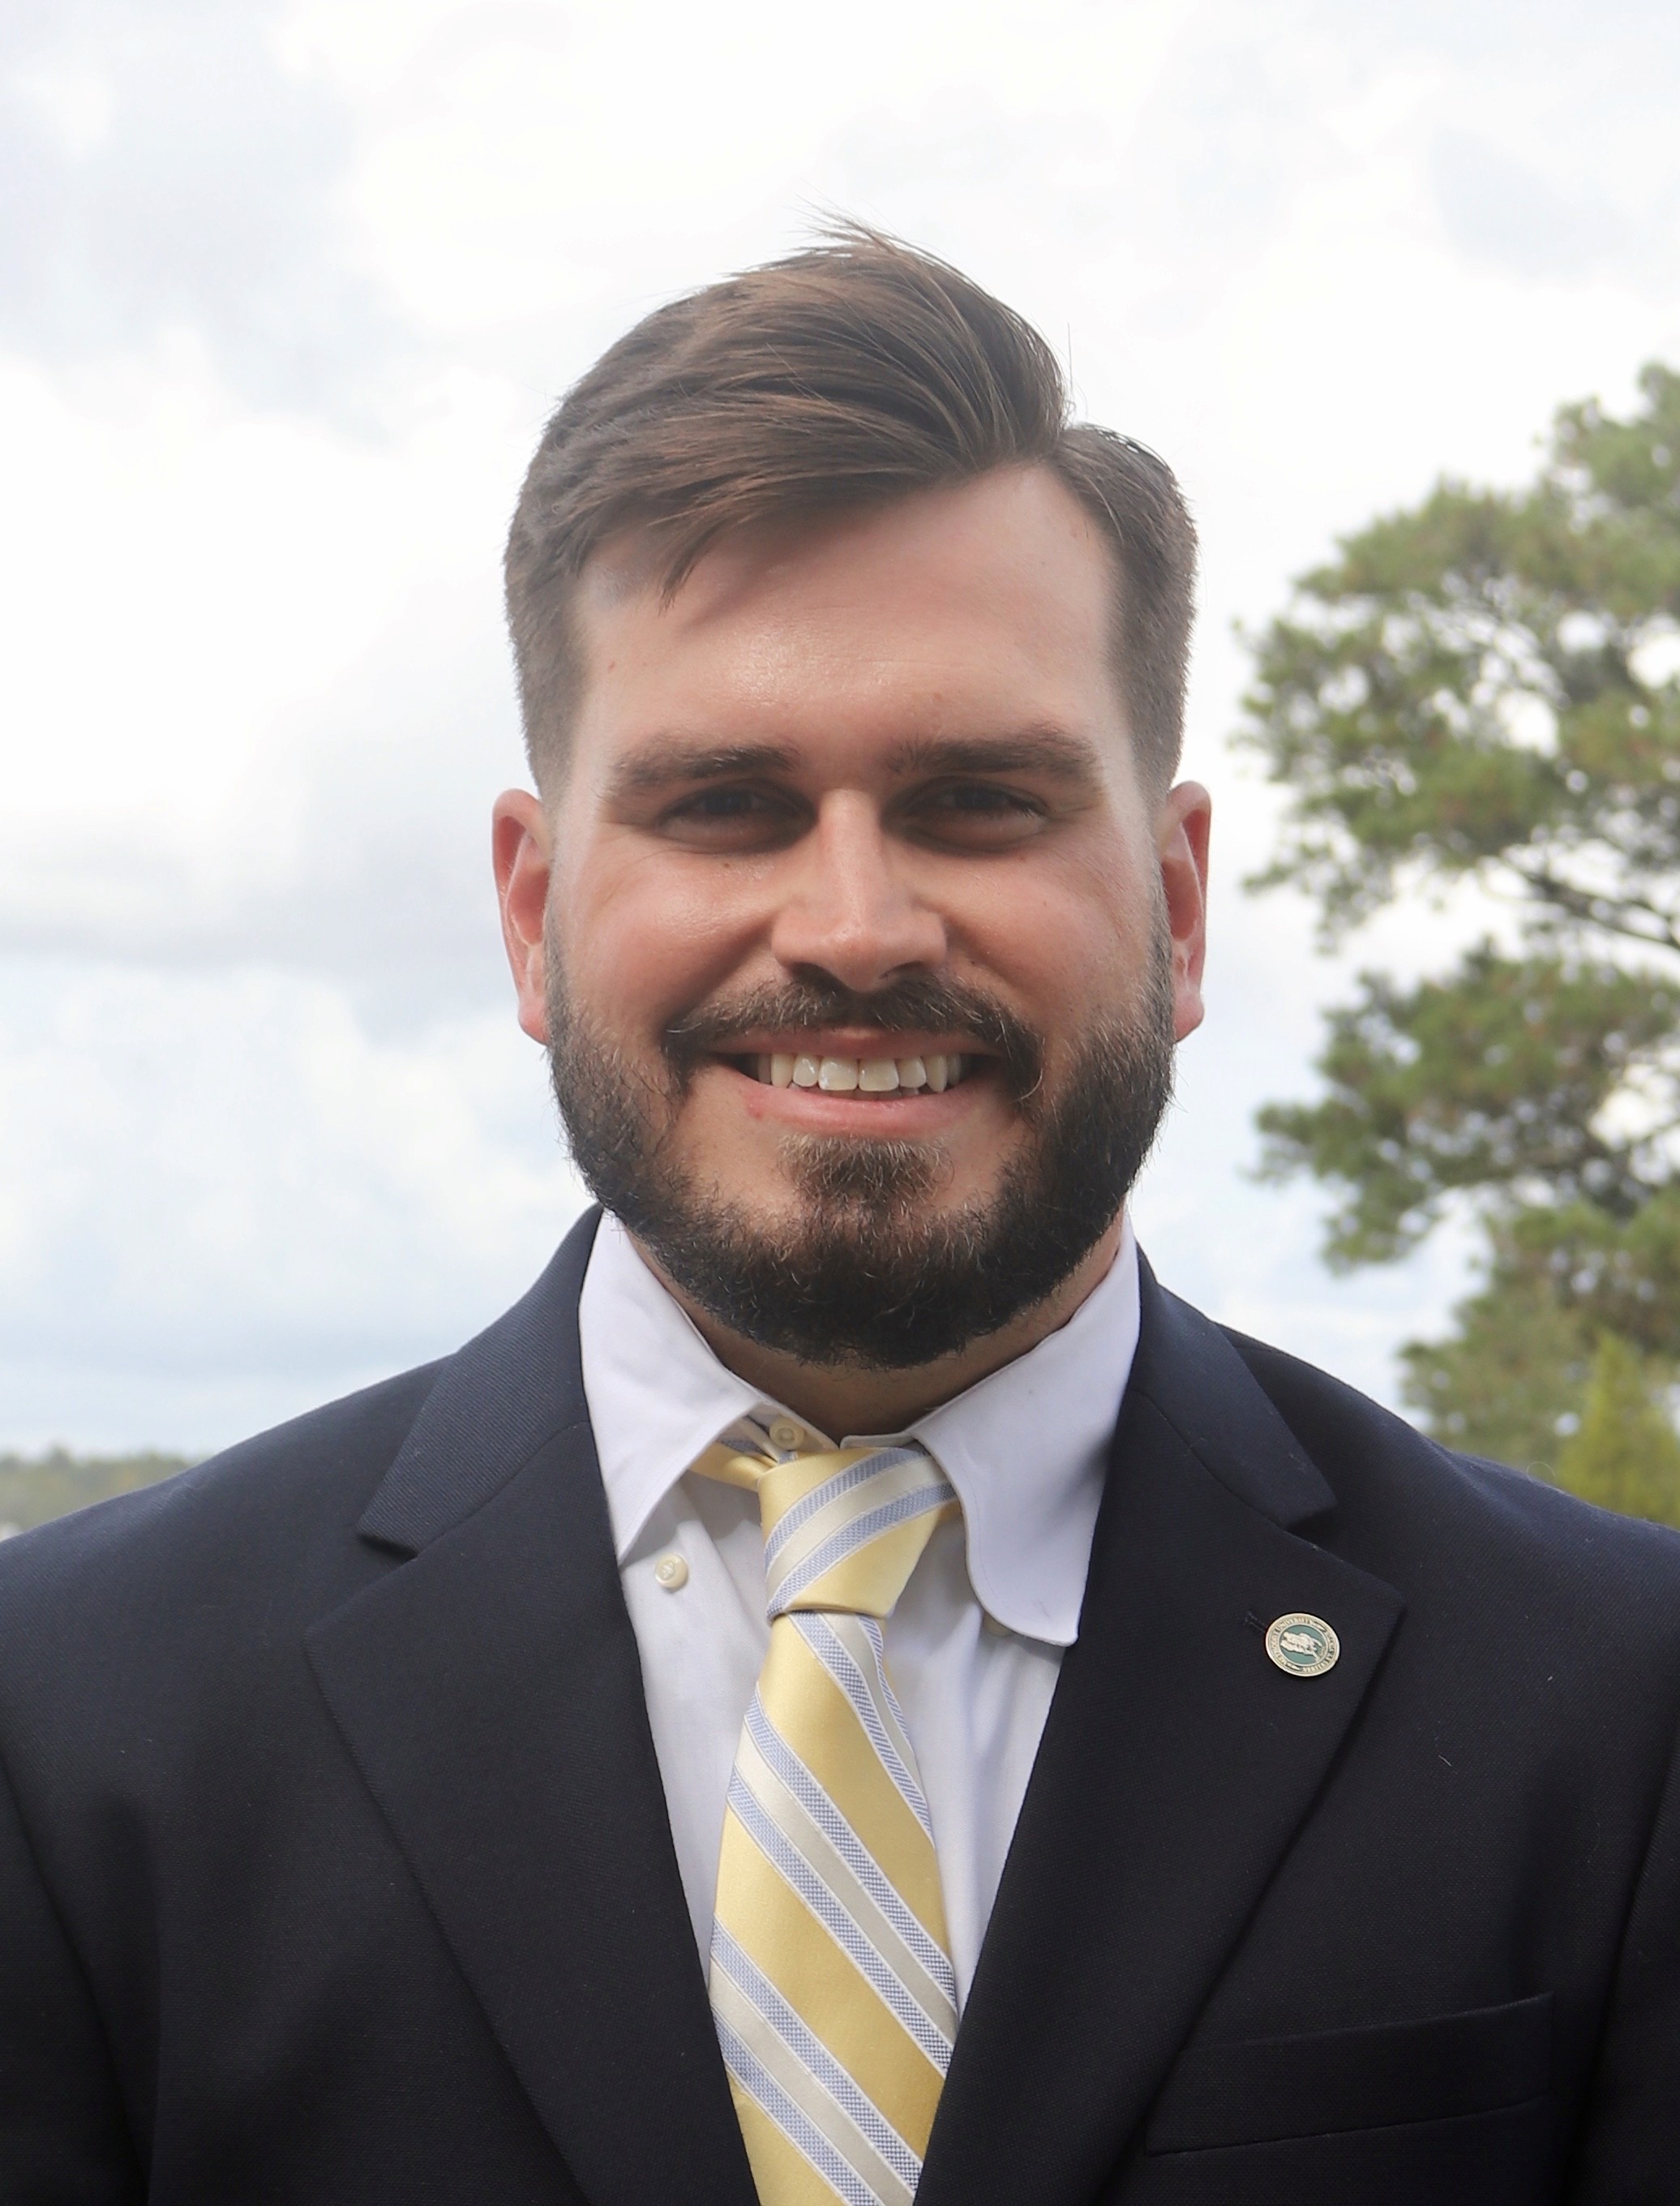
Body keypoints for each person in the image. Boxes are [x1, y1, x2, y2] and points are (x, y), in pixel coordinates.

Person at [2, 231, 1678, 2206]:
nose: (858, 926)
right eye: (725, 802)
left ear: (1179, 897)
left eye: (979, 798)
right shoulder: (66, 1722)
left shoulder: (1618, 1711)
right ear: (535, 912)